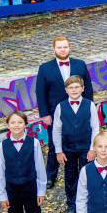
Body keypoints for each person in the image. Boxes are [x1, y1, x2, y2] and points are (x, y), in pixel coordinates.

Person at [36, 36, 94, 189]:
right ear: (54, 49)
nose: (63, 50)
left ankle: (83, 176)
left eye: (65, 47)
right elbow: (40, 92)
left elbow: (88, 88)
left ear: (70, 47)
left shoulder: (80, 65)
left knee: (81, 142)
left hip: (78, 111)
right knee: (55, 146)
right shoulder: (45, 68)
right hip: (56, 113)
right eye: (60, 47)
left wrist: (89, 109)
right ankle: (51, 175)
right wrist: (44, 114)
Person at [52, 75, 99, 213]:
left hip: (86, 147)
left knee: (88, 175)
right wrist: (59, 151)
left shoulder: (89, 105)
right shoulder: (60, 107)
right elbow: (56, 130)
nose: (74, 90)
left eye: (77, 87)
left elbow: (95, 128)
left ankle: (90, 204)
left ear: (83, 88)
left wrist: (93, 148)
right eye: (71, 87)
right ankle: (72, 205)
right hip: (68, 148)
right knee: (70, 177)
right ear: (66, 90)